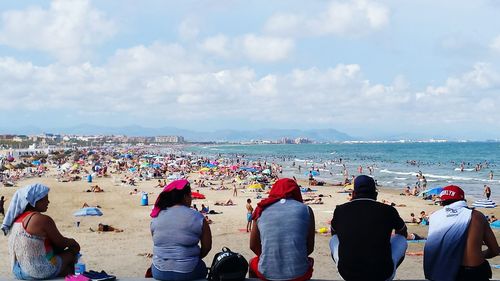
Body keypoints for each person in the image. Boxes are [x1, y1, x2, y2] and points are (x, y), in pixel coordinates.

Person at [329, 175, 408, 281]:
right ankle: (390, 268)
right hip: (382, 274)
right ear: (375, 194)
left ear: (353, 193)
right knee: (402, 240)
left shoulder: (340, 210)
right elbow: (403, 231)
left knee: (333, 239)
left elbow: (334, 233)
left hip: (347, 274)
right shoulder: (388, 210)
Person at [1, 183, 80, 279]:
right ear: (35, 201)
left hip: (18, 271)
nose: (48, 202)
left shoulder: (17, 219)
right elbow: (61, 243)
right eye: (45, 198)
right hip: (36, 271)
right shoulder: (41, 219)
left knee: (59, 260)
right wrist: (73, 242)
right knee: (72, 252)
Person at [424, 185, 499, 281]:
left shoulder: (435, 216)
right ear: (463, 200)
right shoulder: (477, 216)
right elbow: (495, 250)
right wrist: (479, 254)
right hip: (474, 272)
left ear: (442, 202)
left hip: (443, 270)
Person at [249, 178, 315, 281]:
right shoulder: (306, 210)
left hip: (267, 274)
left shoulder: (261, 209)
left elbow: (253, 245)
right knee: (308, 261)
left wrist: (268, 257)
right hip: (299, 275)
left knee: (252, 263)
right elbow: (310, 248)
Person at [149, 179, 211, 281]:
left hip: (159, 271)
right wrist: (192, 258)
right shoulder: (198, 217)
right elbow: (207, 247)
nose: (191, 198)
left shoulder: (156, 217)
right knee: (203, 268)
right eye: (190, 195)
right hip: (188, 271)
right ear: (185, 197)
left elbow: (158, 242)